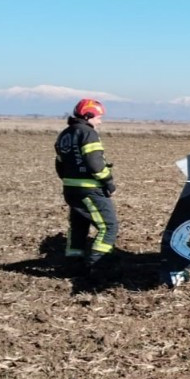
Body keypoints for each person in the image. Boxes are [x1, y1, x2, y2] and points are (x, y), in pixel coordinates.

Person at [55, 98, 119, 273]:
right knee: (109, 227)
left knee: (79, 225)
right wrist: (108, 182)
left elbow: (60, 163)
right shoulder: (88, 133)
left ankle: (73, 263)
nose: (100, 121)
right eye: (98, 117)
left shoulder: (65, 134)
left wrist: (69, 180)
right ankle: (98, 266)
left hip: (70, 188)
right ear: (88, 115)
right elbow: (94, 162)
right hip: (89, 189)